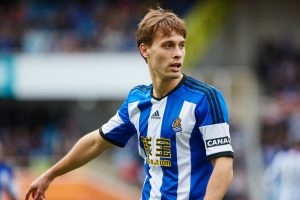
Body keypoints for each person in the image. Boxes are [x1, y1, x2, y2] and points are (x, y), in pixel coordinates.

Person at [25, 7, 234, 200]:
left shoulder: (205, 98)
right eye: (168, 45)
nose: (178, 53)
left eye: (181, 45)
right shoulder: (137, 100)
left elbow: (224, 166)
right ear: (145, 50)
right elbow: (96, 142)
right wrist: (50, 174)